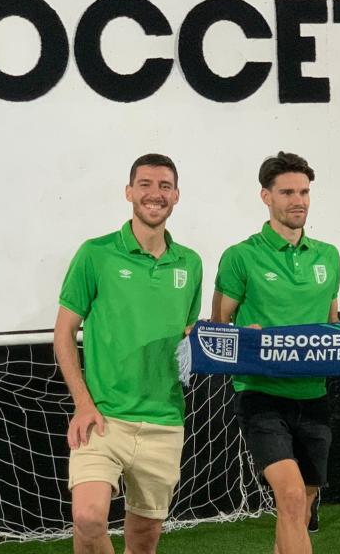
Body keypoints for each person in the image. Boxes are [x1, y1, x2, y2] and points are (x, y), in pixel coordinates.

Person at [53, 153, 203, 554]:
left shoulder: (190, 263)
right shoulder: (96, 253)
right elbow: (64, 334)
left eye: (165, 186)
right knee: (88, 518)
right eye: (146, 185)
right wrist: (83, 404)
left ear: (176, 195)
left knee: (143, 540)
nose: (155, 194)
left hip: (164, 421)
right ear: (129, 192)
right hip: (102, 418)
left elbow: (189, 335)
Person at [212, 151, 340, 554]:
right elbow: (217, 329)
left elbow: (332, 328)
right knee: (290, 498)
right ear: (265, 196)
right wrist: (240, 336)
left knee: (301, 509)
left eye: (303, 191)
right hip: (262, 396)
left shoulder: (328, 255)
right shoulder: (240, 256)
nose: (297, 200)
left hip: (314, 397)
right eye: (287, 192)